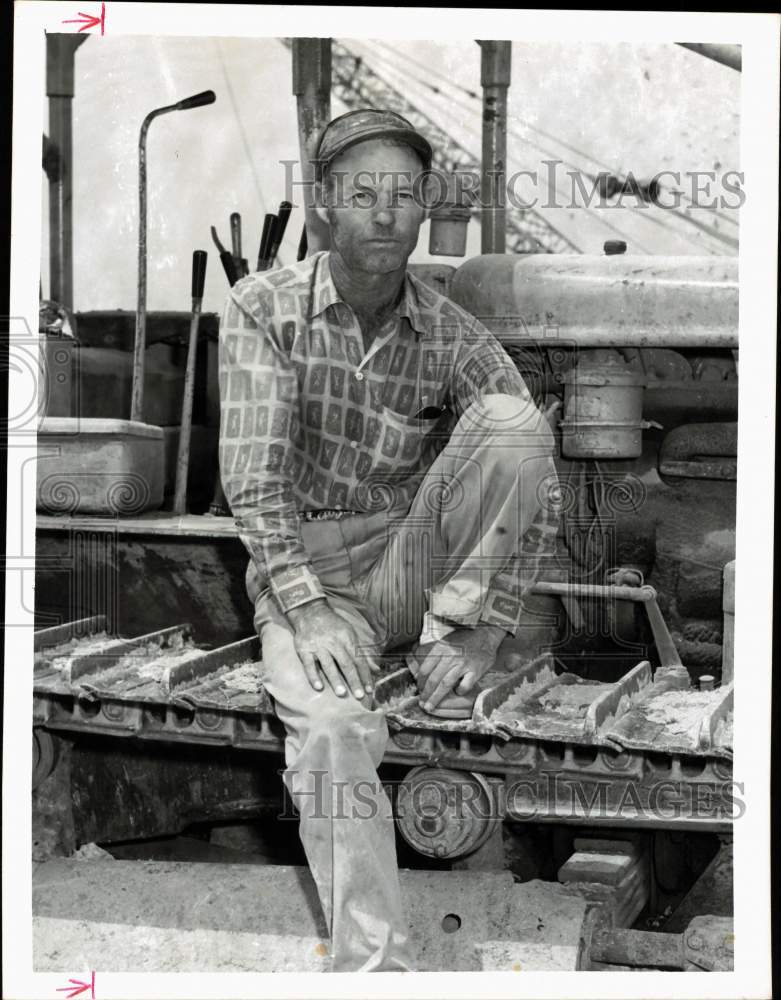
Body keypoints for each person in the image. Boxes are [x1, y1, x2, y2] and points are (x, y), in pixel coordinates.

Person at [218, 108, 559, 972]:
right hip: (311, 576)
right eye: (361, 194)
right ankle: (374, 970)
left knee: (514, 420)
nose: (383, 214)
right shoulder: (264, 309)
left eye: (403, 196)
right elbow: (253, 483)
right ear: (326, 202)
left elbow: (530, 455)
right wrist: (304, 612)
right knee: (332, 733)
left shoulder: (446, 330)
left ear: (424, 206)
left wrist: (484, 627)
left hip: (408, 564)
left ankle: (451, 637)